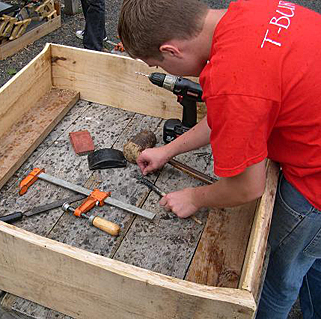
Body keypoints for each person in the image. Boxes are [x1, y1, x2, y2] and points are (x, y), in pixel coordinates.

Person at [118, 0, 321, 318]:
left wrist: (194, 197)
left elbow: (247, 187)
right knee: (312, 256)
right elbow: (228, 112)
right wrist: (167, 150)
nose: (163, 70)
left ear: (171, 51)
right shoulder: (249, 11)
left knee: (279, 281)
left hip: (313, 189)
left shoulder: (234, 81)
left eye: (157, 65)